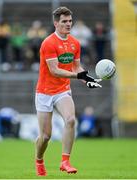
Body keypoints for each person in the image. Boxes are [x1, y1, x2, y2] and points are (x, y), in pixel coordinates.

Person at [35, 6, 102, 176]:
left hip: (62, 90)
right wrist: (78, 75)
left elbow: (77, 67)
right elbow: (55, 70)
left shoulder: (75, 43)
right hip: (44, 92)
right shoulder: (48, 43)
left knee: (71, 120)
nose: (68, 24)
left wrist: (88, 80)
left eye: (70, 21)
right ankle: (39, 160)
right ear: (56, 23)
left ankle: (65, 161)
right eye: (64, 21)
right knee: (45, 136)